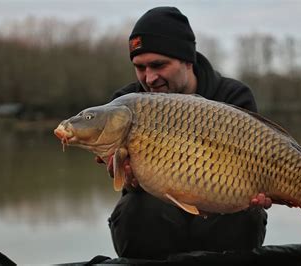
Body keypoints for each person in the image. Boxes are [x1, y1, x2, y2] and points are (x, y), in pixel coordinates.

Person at [98, 6, 272, 259]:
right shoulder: (125, 104)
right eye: (140, 67)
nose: (149, 77)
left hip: (221, 209)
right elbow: (129, 187)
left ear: (187, 60)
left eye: (159, 65)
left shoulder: (233, 97)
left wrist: (262, 191)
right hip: (159, 213)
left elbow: (258, 172)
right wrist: (128, 180)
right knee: (136, 209)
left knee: (243, 214)